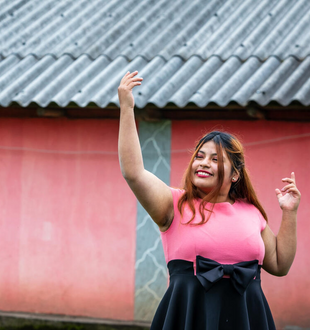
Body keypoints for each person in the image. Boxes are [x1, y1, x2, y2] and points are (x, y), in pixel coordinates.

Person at [118, 71, 301, 330]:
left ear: (235, 174)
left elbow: (280, 264)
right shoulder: (174, 204)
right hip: (188, 315)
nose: (204, 163)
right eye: (200, 156)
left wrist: (290, 213)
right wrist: (127, 107)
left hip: (246, 317)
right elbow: (134, 173)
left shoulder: (251, 212)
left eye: (215, 159)